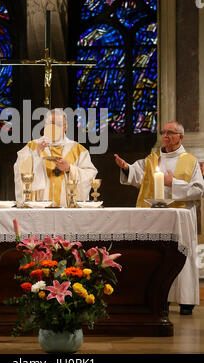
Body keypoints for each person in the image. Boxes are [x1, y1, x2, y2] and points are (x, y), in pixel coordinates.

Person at [114, 121, 204, 315]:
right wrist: (126, 168)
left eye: (170, 132)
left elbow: (198, 190)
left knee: (182, 254)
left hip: (180, 217)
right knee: (157, 256)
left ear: (180, 137)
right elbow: (137, 175)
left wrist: (174, 183)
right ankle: (159, 298)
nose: (165, 136)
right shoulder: (153, 159)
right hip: (155, 216)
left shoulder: (190, 161)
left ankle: (185, 300)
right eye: (163, 132)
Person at [14, 108, 97, 207]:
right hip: (39, 209)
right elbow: (20, 170)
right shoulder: (32, 146)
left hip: (67, 209)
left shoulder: (78, 150)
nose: (53, 127)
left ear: (65, 127)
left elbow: (90, 174)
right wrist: (37, 153)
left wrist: (69, 169)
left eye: (58, 124)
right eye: (50, 124)